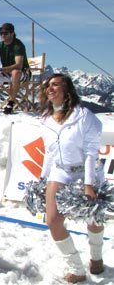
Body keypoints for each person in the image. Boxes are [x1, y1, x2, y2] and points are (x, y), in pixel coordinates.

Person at [39, 73, 105, 283]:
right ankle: (76, 268)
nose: (50, 88)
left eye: (56, 85)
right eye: (48, 85)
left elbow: (91, 153)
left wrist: (88, 185)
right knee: (52, 220)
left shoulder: (84, 116)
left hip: (85, 171)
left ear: (67, 90)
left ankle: (96, 257)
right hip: (60, 171)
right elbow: (49, 153)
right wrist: (42, 179)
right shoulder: (46, 119)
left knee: (93, 220)